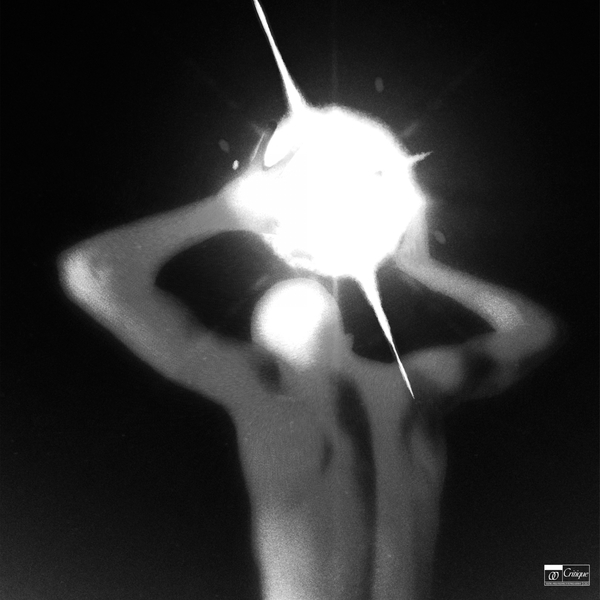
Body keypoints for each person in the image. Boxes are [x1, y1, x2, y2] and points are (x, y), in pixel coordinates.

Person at [59, 126, 558, 600]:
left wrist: (224, 211)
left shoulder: (282, 392)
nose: (295, 297)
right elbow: (534, 330)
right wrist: (427, 269)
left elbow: (95, 270)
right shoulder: (399, 391)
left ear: (344, 335)